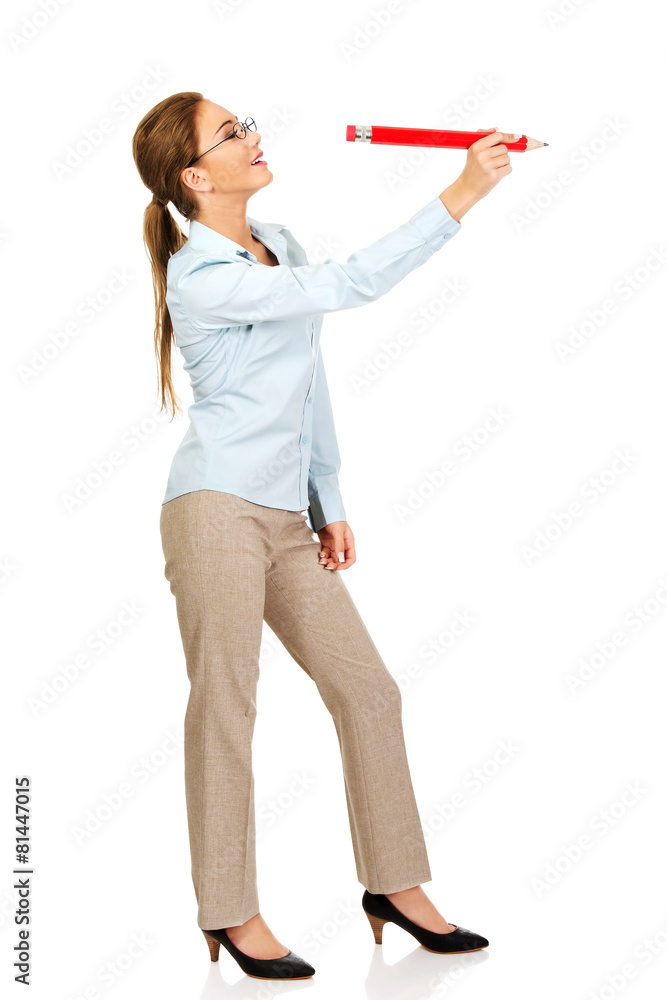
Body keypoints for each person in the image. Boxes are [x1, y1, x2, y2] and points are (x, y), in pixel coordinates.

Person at [132, 92, 515, 981]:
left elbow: (307, 377)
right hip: (214, 509)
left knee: (368, 691)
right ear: (195, 177)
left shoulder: (280, 243)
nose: (252, 136)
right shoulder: (201, 275)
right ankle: (229, 911)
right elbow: (350, 286)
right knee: (227, 705)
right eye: (231, 133)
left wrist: (325, 492)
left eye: (245, 122)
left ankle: (394, 886)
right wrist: (461, 193)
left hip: (280, 513)